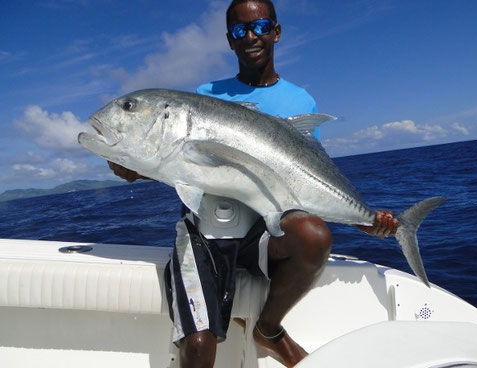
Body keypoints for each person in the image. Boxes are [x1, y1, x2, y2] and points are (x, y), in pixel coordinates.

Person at [108, 1, 398, 367]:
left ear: (276, 32)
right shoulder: (205, 93)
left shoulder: (299, 100)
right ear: (229, 41)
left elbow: (306, 176)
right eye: (238, 30)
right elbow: (184, 164)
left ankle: (270, 329)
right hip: (210, 229)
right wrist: (137, 169)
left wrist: (364, 219)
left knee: (314, 235)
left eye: (260, 26)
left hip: (263, 232)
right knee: (197, 348)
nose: (250, 36)